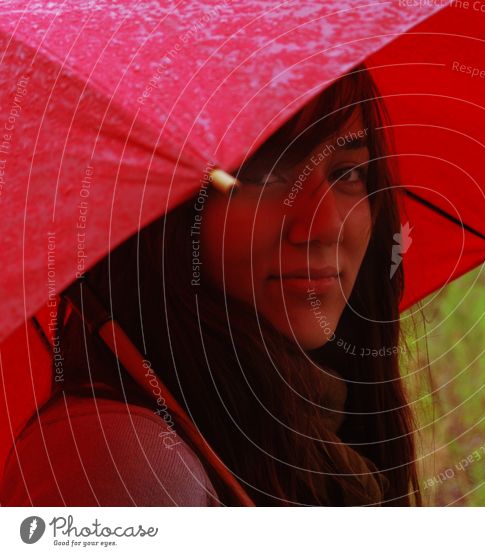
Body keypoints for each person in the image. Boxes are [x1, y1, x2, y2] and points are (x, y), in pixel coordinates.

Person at [0, 64, 423, 507]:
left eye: (347, 174)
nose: (325, 225)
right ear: (168, 215)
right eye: (263, 174)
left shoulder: (315, 436)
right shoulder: (125, 460)